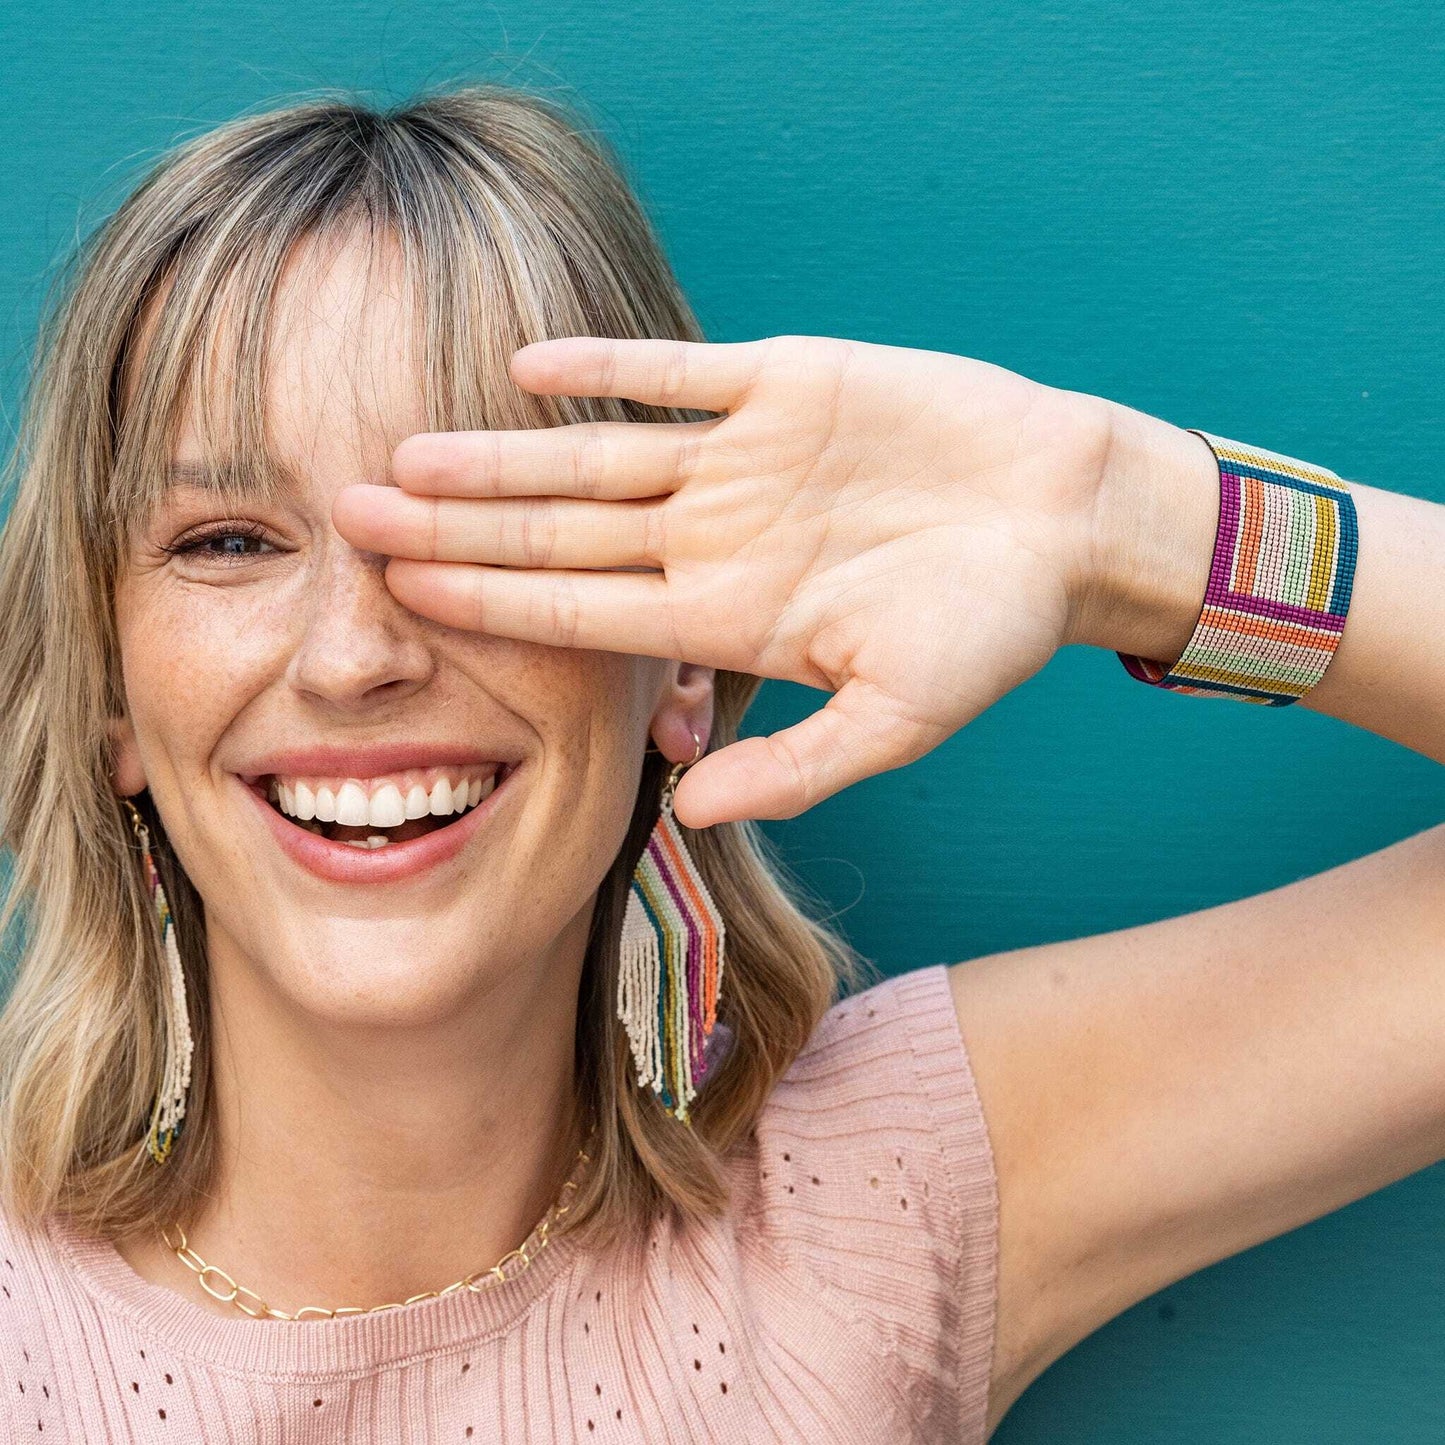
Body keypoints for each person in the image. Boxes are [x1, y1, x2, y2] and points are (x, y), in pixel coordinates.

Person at [0, 82, 1438, 1444]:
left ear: (683, 661)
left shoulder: (893, 1189)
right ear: (113, 695)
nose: (350, 655)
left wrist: (1126, 521)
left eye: (484, 531)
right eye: (228, 542)